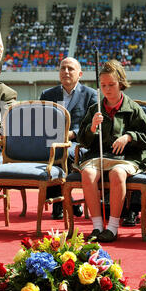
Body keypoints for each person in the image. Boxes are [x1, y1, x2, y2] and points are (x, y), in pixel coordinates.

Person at [76, 60, 146, 242]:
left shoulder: (134, 108)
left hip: (128, 158)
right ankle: (97, 226)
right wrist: (92, 127)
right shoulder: (94, 109)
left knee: (117, 173)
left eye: (111, 84)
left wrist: (129, 137)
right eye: (103, 85)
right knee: (87, 173)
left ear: (121, 83)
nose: (107, 89)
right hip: (99, 156)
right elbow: (82, 140)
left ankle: (112, 227)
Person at [40, 57, 97, 219]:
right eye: (62, 68)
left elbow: (92, 125)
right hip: (52, 141)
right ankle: (66, 201)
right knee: (50, 151)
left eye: (70, 69)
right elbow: (39, 122)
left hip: (78, 142)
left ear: (80, 74)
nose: (66, 71)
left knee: (63, 153)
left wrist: (72, 134)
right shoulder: (48, 94)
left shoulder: (91, 95)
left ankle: (60, 203)